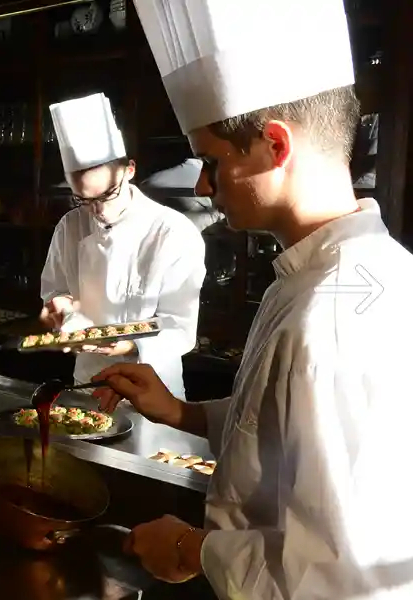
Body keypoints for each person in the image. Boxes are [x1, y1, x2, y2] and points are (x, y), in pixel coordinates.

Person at [93, 0, 413, 597]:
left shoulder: (330, 321)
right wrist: (186, 415)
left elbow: (334, 582)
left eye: (212, 161)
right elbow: (286, 437)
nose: (201, 185)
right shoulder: (325, 274)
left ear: (274, 145)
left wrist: (193, 549)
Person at [40, 92, 205, 399]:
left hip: (153, 385)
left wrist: (129, 342)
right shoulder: (70, 226)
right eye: (84, 199)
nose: (97, 209)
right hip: (89, 381)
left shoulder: (172, 232)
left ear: (129, 170)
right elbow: (55, 291)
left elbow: (181, 328)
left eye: (106, 195)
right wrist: (64, 312)